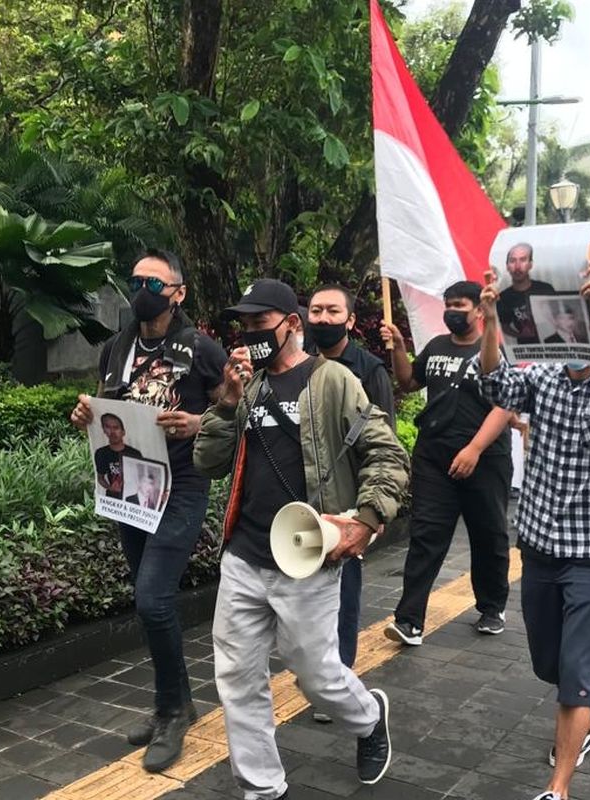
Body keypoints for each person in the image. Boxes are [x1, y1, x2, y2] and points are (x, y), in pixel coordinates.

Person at [194, 279, 408, 799]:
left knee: (317, 678)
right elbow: (209, 461)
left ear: (292, 323)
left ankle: (367, 716)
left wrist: (366, 519)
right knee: (238, 679)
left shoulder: (333, 381)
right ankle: (263, 787)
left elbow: (387, 454)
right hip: (245, 556)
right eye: (242, 325)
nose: (248, 335)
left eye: (259, 323)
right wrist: (226, 403)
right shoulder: (250, 388)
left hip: (306, 557)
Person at [478, 265, 590, 800]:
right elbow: (493, 382)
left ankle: (559, 787)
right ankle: (585, 718)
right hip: (539, 546)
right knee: (547, 662)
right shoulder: (542, 378)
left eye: (582, 330)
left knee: (577, 672)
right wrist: (489, 322)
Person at [70, 249, 227, 772]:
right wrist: (85, 414)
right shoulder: (117, 346)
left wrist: (199, 422)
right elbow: (101, 402)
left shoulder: (201, 349)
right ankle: (180, 701)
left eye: (155, 284)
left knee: (152, 599)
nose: (144, 290)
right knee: (148, 599)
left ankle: (171, 710)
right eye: (137, 281)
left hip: (181, 484)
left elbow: (237, 407)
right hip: (129, 488)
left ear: (178, 293)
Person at [380, 280, 513, 644]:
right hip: (434, 457)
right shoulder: (437, 346)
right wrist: (399, 347)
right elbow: (408, 382)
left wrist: (474, 450)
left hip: (485, 461)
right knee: (426, 535)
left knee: (488, 535)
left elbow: (504, 403)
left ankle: (491, 607)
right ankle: (409, 620)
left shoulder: (496, 349)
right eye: (448, 304)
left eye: (460, 305)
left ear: (478, 310)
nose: (452, 311)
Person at [305, 284, 396, 721]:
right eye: (315, 310)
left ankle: (340, 680)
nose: (322, 319)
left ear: (350, 320)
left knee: (343, 594)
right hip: (302, 502)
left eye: (332, 311)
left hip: (345, 500)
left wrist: (366, 512)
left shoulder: (368, 370)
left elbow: (383, 444)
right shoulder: (298, 366)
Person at [497, 243, 556, 343]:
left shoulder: (546, 289)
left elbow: (560, 314)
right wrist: (520, 335)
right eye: (512, 261)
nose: (518, 266)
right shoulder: (503, 297)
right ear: (507, 266)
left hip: (553, 343)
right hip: (527, 350)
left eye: (523, 260)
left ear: (530, 264)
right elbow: (505, 326)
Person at [94, 413, 144, 498]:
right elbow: (100, 478)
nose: (112, 432)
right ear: (104, 430)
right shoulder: (101, 453)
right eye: (108, 427)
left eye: (116, 428)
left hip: (133, 498)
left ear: (123, 432)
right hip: (113, 500)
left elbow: (143, 478)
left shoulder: (135, 453)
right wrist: (110, 487)